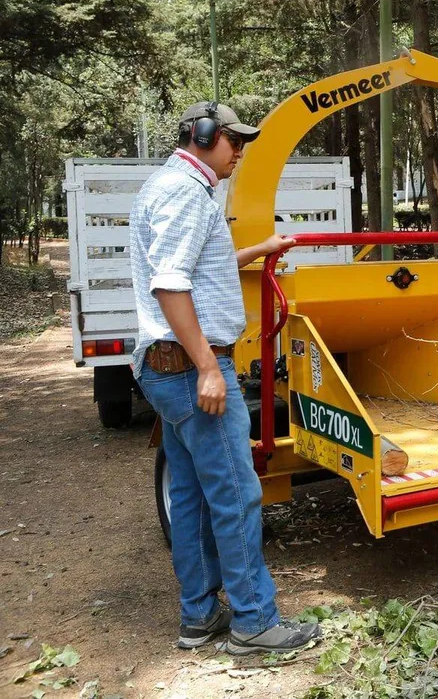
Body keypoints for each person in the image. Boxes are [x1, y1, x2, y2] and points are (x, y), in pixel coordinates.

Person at [129, 102, 322, 654]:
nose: (240, 151)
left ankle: (198, 616)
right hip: (190, 369)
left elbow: (194, 266)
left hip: (167, 369)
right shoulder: (187, 193)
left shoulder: (170, 186)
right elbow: (171, 284)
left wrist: (257, 251)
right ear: (204, 135)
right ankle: (255, 622)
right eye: (234, 141)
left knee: (188, 496)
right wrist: (210, 368)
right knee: (237, 495)